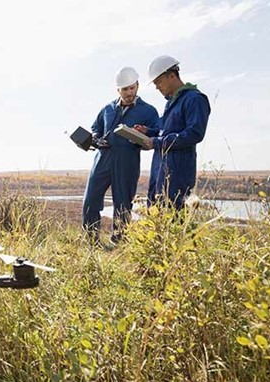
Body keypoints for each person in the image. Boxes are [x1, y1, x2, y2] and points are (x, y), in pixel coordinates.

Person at [83, 67, 159, 244]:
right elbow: (96, 128)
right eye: (125, 89)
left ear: (138, 86)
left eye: (132, 88)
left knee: (123, 203)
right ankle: (91, 240)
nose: (129, 93)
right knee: (90, 199)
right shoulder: (107, 109)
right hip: (103, 158)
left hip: (128, 160)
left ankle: (119, 241)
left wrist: (145, 132)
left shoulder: (149, 111)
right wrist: (94, 137)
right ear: (118, 90)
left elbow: (157, 133)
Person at [135, 56, 211, 209]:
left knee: (174, 218)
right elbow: (166, 131)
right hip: (159, 170)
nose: (157, 87)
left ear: (172, 75)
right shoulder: (171, 102)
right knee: (156, 216)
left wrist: (156, 142)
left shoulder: (194, 99)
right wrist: (149, 132)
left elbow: (194, 133)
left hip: (178, 172)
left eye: (158, 82)